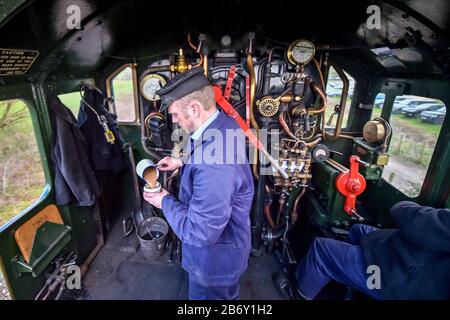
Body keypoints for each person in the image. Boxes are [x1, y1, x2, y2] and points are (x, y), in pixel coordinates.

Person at [142, 67, 254, 300]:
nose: (173, 120)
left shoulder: (215, 165)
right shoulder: (222, 124)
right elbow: (206, 148)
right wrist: (180, 161)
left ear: (194, 108)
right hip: (227, 252)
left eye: (174, 114)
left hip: (214, 265)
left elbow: (198, 232)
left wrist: (163, 200)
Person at [273, 201, 450, 300]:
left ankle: (297, 295)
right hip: (411, 257)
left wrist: (404, 205)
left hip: (397, 281)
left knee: (322, 249)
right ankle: (347, 288)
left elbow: (413, 220)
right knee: (358, 229)